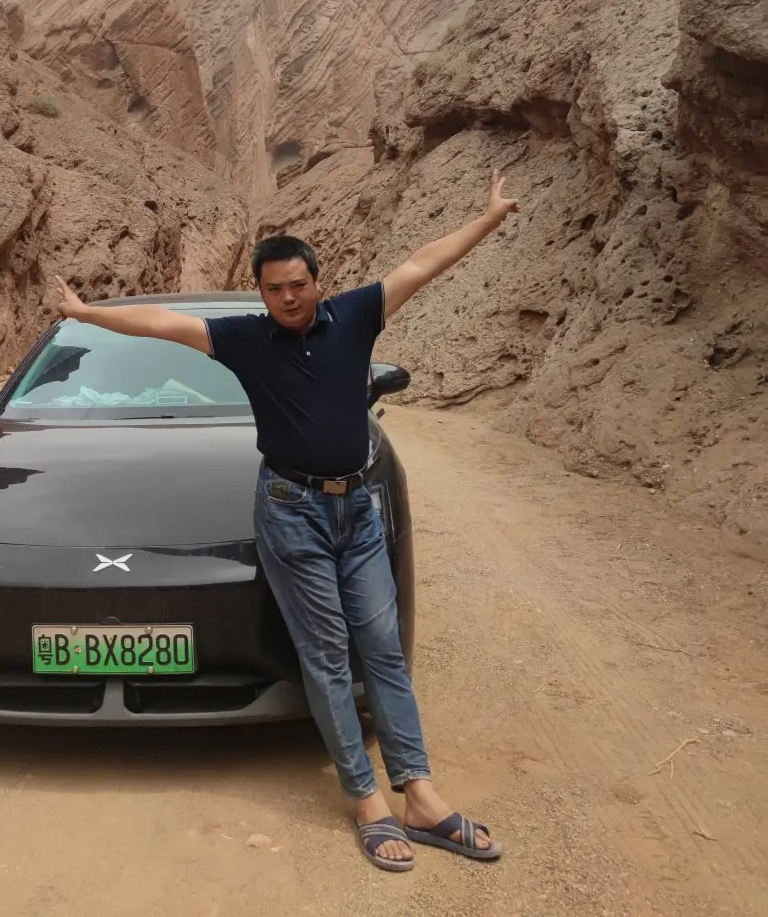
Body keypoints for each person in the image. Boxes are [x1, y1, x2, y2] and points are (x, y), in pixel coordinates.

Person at [54, 168, 518, 872]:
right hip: (291, 512)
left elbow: (422, 264)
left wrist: (487, 219)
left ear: (317, 281)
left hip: (357, 510)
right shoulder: (244, 339)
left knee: (382, 650)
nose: (289, 297)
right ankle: (366, 799)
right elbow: (163, 324)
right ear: (262, 292)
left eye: (298, 284)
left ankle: (421, 795)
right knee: (327, 656)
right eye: (274, 289)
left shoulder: (357, 315)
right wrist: (87, 314)